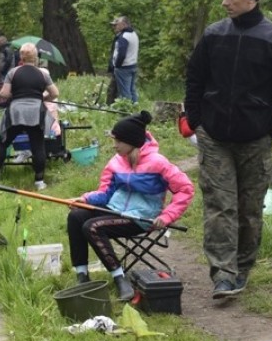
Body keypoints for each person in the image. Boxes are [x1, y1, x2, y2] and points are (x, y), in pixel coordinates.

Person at [183, 0, 272, 299]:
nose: (225, 2)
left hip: (256, 139)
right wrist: (197, 119)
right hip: (215, 136)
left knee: (248, 208)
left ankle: (243, 267)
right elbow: (195, 79)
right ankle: (223, 274)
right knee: (219, 205)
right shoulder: (214, 35)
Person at [67, 111, 194, 301]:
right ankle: (82, 276)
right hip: (115, 210)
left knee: (92, 226)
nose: (114, 145)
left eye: (118, 141)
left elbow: (185, 189)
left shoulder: (158, 163)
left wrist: (167, 216)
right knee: (76, 216)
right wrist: (84, 199)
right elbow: (104, 194)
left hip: (142, 217)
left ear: (132, 142)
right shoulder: (116, 162)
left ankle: (120, 279)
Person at [0, 43, 59, 190]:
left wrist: (1, 93)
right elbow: (55, 93)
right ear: (35, 57)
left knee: (3, 142)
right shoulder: (43, 74)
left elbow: (5, 94)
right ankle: (39, 182)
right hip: (36, 113)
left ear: (21, 57)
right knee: (38, 146)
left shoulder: (13, 72)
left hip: (16, 112)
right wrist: (43, 99)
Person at [108, 16, 140, 103]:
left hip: (123, 67)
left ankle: (126, 112)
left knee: (125, 93)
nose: (114, 27)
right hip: (133, 65)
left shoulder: (124, 36)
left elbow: (121, 54)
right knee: (132, 90)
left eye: (116, 25)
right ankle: (135, 109)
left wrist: (117, 66)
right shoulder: (134, 34)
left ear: (123, 24)